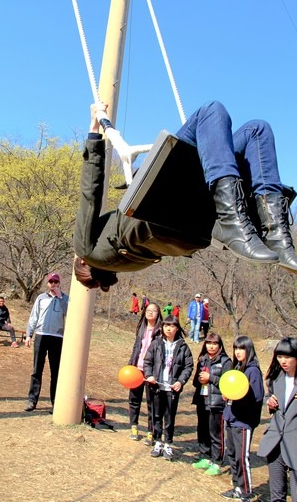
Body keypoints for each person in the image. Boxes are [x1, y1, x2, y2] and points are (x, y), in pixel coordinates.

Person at [73, 101, 297, 292]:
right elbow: (90, 196)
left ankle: (277, 238)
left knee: (255, 131)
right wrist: (94, 130)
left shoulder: (132, 264)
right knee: (216, 113)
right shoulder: (88, 252)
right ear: (83, 262)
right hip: (159, 202)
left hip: (193, 225)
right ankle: (253, 227)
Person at [257, 337, 297, 502]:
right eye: (280, 356)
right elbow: (269, 400)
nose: (283, 361)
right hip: (275, 443)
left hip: (295, 445)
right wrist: (269, 402)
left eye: (288, 356)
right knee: (277, 495)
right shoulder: (275, 378)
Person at [221, 335, 264, 502]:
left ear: (249, 350)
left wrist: (236, 397)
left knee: (242, 457)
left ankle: (246, 495)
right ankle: (237, 487)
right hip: (231, 417)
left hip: (243, 422)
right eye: (236, 348)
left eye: (242, 348)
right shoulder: (237, 367)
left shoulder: (253, 371)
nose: (238, 352)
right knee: (232, 455)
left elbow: (257, 396)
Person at [144, 315, 193, 460]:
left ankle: (168, 444)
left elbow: (188, 366)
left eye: (171, 326)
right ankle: (158, 442)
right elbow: (148, 361)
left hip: (172, 389)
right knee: (156, 416)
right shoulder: (156, 343)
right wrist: (150, 375)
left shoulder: (183, 346)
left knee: (169, 418)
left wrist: (181, 381)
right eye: (166, 326)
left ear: (176, 328)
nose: (168, 329)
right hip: (157, 387)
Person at [23, 273, 69, 412]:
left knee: (56, 371)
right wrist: (29, 335)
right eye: (51, 282)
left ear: (59, 283)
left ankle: (56, 402)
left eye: (56, 282)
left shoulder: (66, 299)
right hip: (41, 335)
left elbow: (69, 313)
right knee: (37, 369)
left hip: (57, 337)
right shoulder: (41, 298)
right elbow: (34, 317)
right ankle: (32, 401)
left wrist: (60, 297)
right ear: (47, 283)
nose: (53, 284)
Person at [191, 332, 232, 475]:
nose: (211, 346)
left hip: (217, 402)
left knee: (216, 433)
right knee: (202, 430)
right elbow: (195, 382)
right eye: (209, 343)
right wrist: (200, 380)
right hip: (202, 400)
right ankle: (205, 456)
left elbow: (228, 383)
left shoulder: (226, 361)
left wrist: (211, 378)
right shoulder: (202, 360)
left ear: (220, 346)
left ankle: (217, 462)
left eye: (215, 344)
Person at [127, 302, 163, 444]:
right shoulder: (141, 327)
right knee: (134, 399)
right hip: (137, 369)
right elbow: (137, 347)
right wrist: (131, 363)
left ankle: (151, 432)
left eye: (154, 311)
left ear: (158, 314)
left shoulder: (161, 331)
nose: (150, 313)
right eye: (148, 310)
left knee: (152, 403)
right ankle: (134, 427)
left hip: (152, 371)